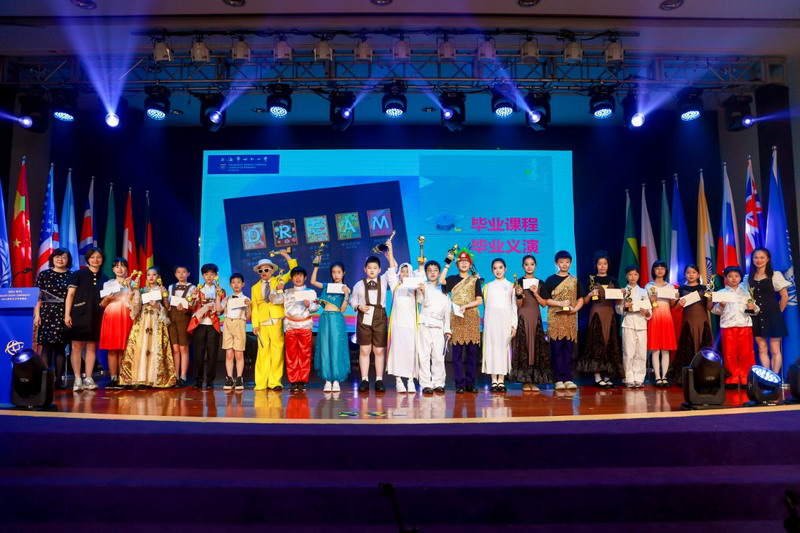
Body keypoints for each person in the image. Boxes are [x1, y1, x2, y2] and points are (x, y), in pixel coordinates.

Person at [350, 242, 398, 393]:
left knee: (379, 350)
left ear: (379, 270)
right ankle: (364, 379)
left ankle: (379, 379)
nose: (372, 270)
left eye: (375, 268)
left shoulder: (384, 280)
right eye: (369, 268)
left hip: (379, 317)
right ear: (364, 269)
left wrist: (388, 251)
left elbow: (394, 267)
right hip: (364, 318)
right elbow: (352, 300)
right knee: (364, 350)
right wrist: (359, 307)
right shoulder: (358, 285)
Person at [119, 267, 176, 388]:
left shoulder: (162, 289)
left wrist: (158, 305)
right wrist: (132, 289)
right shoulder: (143, 290)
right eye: (149, 274)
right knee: (141, 346)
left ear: (158, 277)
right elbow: (135, 305)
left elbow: (167, 308)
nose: (151, 277)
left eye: (154, 274)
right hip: (143, 320)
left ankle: (153, 378)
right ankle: (141, 378)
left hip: (156, 320)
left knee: (154, 347)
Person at [250, 251, 298, 391]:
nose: (263, 273)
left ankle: (275, 381)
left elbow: (293, 271)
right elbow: (254, 307)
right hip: (262, 322)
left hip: (276, 319)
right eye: (261, 271)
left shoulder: (279, 280)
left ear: (272, 270)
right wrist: (254, 324)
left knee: (277, 351)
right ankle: (261, 383)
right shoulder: (254, 287)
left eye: (266, 270)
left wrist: (287, 256)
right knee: (262, 352)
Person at [439, 247, 483, 394]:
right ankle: (459, 384)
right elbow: (441, 281)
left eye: (467, 261)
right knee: (457, 354)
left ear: (470, 265)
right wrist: (448, 263)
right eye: (461, 261)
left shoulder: (475, 280)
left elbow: (479, 300)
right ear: (457, 264)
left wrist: (466, 306)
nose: (464, 263)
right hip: (457, 318)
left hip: (471, 318)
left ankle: (470, 383)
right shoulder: (452, 279)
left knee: (472, 354)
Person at [64, 247, 108, 391]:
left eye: (99, 257)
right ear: (88, 259)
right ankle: (77, 378)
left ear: (102, 260)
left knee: (91, 346)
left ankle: (88, 378)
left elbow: (103, 301)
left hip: (96, 315)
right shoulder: (78, 274)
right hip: (78, 314)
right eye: (92, 257)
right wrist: (67, 314)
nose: (96, 260)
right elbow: (70, 295)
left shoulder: (105, 278)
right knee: (76, 346)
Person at [540, 250, 584, 390]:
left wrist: (575, 310)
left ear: (570, 263)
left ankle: (568, 378)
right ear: (556, 263)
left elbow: (581, 299)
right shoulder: (550, 280)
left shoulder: (574, 281)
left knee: (568, 349)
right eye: (561, 262)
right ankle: (558, 379)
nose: (564, 264)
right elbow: (546, 300)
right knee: (556, 349)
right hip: (555, 319)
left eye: (567, 262)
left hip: (570, 319)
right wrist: (560, 303)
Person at [577, 250, 623, 388]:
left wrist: (621, 295)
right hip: (596, 314)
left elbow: (619, 303)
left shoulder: (614, 281)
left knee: (610, 343)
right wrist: (590, 295)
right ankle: (597, 376)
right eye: (599, 264)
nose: (602, 266)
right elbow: (584, 302)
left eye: (605, 263)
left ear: (608, 265)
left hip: (610, 314)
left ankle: (608, 376)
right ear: (595, 265)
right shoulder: (591, 280)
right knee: (597, 344)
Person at [271, 266, 319, 392]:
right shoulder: (287, 292)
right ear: (292, 278)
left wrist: (309, 305)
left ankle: (302, 381)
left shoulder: (310, 292)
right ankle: (293, 381)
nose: (298, 278)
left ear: (305, 278)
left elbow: (316, 307)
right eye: (295, 276)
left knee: (304, 355)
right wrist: (277, 289)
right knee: (291, 355)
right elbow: (274, 300)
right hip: (291, 326)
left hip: (305, 326)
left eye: (300, 276)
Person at [510, 255, 553, 391]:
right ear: (523, 266)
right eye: (526, 264)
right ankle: (525, 381)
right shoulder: (518, 282)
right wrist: (519, 294)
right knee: (523, 347)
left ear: (535, 266)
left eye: (532, 264)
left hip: (535, 318)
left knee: (535, 348)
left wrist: (536, 293)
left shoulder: (540, 283)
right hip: (522, 318)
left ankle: (533, 380)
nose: (529, 267)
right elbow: (519, 304)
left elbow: (544, 304)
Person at [711, 266, 759, 387]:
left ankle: (745, 378)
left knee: (746, 354)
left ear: (740, 278)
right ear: (726, 278)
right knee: (729, 354)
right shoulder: (721, 293)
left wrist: (753, 308)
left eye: (736, 276)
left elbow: (755, 311)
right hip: (728, 327)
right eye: (730, 276)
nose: (734, 278)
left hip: (745, 327)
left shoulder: (746, 293)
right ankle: (731, 378)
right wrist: (721, 306)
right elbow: (715, 311)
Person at [747, 248, 790, 376]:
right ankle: (767, 377)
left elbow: (784, 297)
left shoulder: (775, 275)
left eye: (762, 257)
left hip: (773, 316)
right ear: (752, 259)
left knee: (774, 349)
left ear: (768, 259)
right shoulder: (748, 278)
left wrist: (778, 313)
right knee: (761, 348)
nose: (759, 260)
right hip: (756, 317)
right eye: (756, 257)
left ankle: (775, 377)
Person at [310, 260, 351, 393]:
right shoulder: (327, 286)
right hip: (325, 318)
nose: (336, 275)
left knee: (336, 347)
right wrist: (316, 266)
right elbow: (313, 282)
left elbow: (343, 309)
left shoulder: (345, 289)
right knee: (325, 347)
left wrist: (346, 295)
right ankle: (327, 380)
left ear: (343, 273)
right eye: (333, 272)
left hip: (337, 319)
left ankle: (336, 380)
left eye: (338, 272)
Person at [34, 248, 72, 389]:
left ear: (68, 260)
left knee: (61, 348)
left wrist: (68, 315)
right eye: (57, 257)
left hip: (65, 313)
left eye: (64, 257)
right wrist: (37, 314)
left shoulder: (72, 275)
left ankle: (59, 381)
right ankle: (45, 382)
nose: (60, 259)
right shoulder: (44, 274)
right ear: (52, 259)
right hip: (47, 313)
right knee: (47, 347)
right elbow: (38, 297)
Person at [669, 264, 713, 386]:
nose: (691, 275)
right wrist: (679, 304)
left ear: (698, 274)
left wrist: (710, 299)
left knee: (703, 347)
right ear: (685, 274)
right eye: (688, 272)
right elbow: (676, 308)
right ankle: (687, 377)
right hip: (688, 322)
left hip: (702, 322)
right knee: (688, 347)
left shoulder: (705, 288)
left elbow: (710, 308)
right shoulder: (681, 289)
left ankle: (705, 376)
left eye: (693, 272)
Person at [481, 258, 517, 392]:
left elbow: (514, 307)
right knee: (491, 349)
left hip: (505, 322)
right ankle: (493, 380)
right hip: (491, 323)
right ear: (492, 270)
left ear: (505, 269)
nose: (498, 271)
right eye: (495, 268)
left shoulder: (511, 286)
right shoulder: (487, 287)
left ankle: (501, 380)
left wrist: (513, 325)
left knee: (503, 349)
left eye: (500, 267)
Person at [188, 263, 225, 389]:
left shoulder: (220, 291)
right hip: (200, 324)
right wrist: (193, 298)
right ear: (203, 276)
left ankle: (210, 381)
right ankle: (198, 381)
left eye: (212, 274)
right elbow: (191, 307)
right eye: (206, 274)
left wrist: (216, 308)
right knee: (199, 354)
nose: (209, 276)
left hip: (213, 324)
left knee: (212, 354)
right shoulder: (197, 290)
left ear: (216, 276)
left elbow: (222, 310)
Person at [387, 261, 422, 393]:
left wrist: (421, 289)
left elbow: (422, 299)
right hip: (397, 326)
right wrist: (390, 252)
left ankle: (410, 380)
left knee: (411, 353)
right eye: (402, 271)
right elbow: (391, 271)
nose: (405, 274)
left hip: (411, 327)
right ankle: (398, 381)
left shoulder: (414, 289)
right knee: (397, 353)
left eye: (407, 272)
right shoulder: (395, 286)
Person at [99, 257, 134, 389]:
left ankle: (124, 378)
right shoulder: (108, 284)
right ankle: (113, 378)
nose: (120, 269)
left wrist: (129, 286)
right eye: (116, 266)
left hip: (126, 315)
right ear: (113, 269)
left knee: (125, 348)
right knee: (112, 348)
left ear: (127, 269)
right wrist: (107, 298)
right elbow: (102, 304)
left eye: (122, 266)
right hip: (112, 315)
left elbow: (136, 302)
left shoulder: (133, 283)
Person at [417, 260, 451, 395]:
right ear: (426, 273)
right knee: (424, 356)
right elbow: (423, 303)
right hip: (424, 324)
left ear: (439, 272)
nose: (432, 273)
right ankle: (426, 383)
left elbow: (448, 311)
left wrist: (447, 329)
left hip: (438, 326)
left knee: (438, 356)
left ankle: (439, 383)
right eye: (429, 270)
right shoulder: (422, 286)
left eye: (435, 270)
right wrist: (423, 292)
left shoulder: (444, 290)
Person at [616, 265, 652, 388]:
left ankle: (639, 378)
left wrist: (646, 312)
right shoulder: (623, 291)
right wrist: (625, 306)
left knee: (641, 352)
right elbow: (619, 310)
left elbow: (649, 311)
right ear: (626, 276)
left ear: (639, 276)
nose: (633, 277)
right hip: (629, 324)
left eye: (635, 274)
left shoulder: (643, 291)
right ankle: (629, 378)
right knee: (628, 352)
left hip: (641, 324)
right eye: (630, 274)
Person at [644, 260, 677, 387]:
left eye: (662, 268)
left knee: (665, 349)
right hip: (654, 318)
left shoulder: (670, 287)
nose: (660, 270)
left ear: (666, 271)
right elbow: (646, 305)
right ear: (653, 270)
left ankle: (665, 377)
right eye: (657, 268)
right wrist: (652, 301)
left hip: (667, 318)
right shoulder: (648, 286)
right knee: (655, 349)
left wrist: (675, 300)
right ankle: (657, 377)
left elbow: (672, 305)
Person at [222, 273, 251, 391]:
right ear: (230, 284)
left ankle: (239, 378)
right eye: (233, 282)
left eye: (238, 282)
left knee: (239, 353)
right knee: (229, 353)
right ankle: (229, 378)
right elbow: (218, 310)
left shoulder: (246, 299)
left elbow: (248, 317)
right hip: (228, 323)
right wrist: (218, 297)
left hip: (239, 323)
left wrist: (250, 306)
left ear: (243, 284)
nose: (236, 284)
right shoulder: (226, 299)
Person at [167, 265, 195, 387]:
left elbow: (192, 306)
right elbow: (167, 304)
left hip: (184, 318)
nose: (181, 274)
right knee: (175, 348)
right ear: (175, 274)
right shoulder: (171, 287)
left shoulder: (192, 288)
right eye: (178, 272)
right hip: (172, 319)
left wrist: (184, 308)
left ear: (188, 274)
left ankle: (183, 376)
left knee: (184, 348)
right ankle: (176, 375)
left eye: (184, 272)